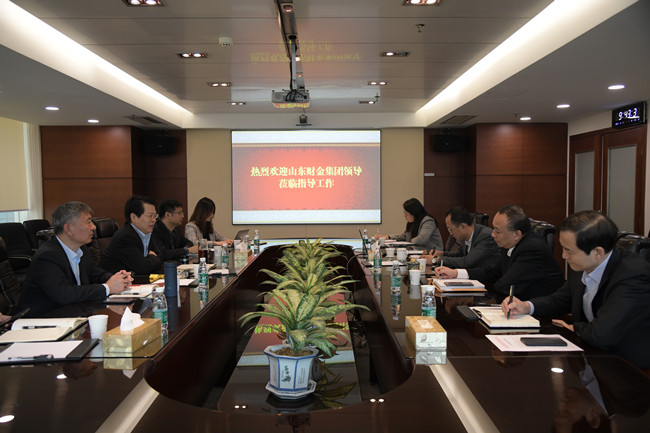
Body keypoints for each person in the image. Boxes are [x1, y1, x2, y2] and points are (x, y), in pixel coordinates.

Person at [502, 210, 650, 370]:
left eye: (569, 251)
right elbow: (560, 301)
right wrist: (526, 306)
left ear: (597, 252)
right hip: (589, 356)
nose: (564, 256)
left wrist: (573, 328)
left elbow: (602, 334)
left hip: (626, 368)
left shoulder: (632, 275)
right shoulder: (583, 264)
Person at [17, 202, 132, 317]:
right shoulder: (47, 256)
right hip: (42, 320)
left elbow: (96, 274)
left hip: (72, 314)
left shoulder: (81, 249)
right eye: (88, 222)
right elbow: (64, 294)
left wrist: (119, 279)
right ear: (68, 229)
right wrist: (107, 288)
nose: (94, 227)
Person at [436, 204, 563, 301]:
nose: (492, 234)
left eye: (497, 231)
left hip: (541, 315)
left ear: (517, 234)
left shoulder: (532, 249)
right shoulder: (508, 243)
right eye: (493, 229)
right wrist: (456, 273)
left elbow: (505, 285)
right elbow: (492, 272)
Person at [100, 195, 163, 275]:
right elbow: (143, 268)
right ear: (134, 217)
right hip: (116, 280)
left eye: (155, 216)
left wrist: (150, 259)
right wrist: (152, 257)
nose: (154, 220)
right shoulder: (125, 237)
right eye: (150, 216)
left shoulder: (146, 232)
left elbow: (161, 256)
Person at [426, 206, 500, 269]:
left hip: (486, 279)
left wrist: (435, 260)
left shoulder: (484, 236)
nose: (451, 234)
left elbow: (467, 262)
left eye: (450, 230)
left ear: (462, 226)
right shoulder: (465, 235)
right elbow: (460, 254)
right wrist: (442, 254)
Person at [375, 198, 443, 251]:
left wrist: (409, 241)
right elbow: (404, 236)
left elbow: (421, 240)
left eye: (406, 214)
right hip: (417, 252)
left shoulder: (428, 221)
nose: (405, 216)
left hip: (432, 254)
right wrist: (388, 237)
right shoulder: (413, 222)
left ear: (414, 213)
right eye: (404, 213)